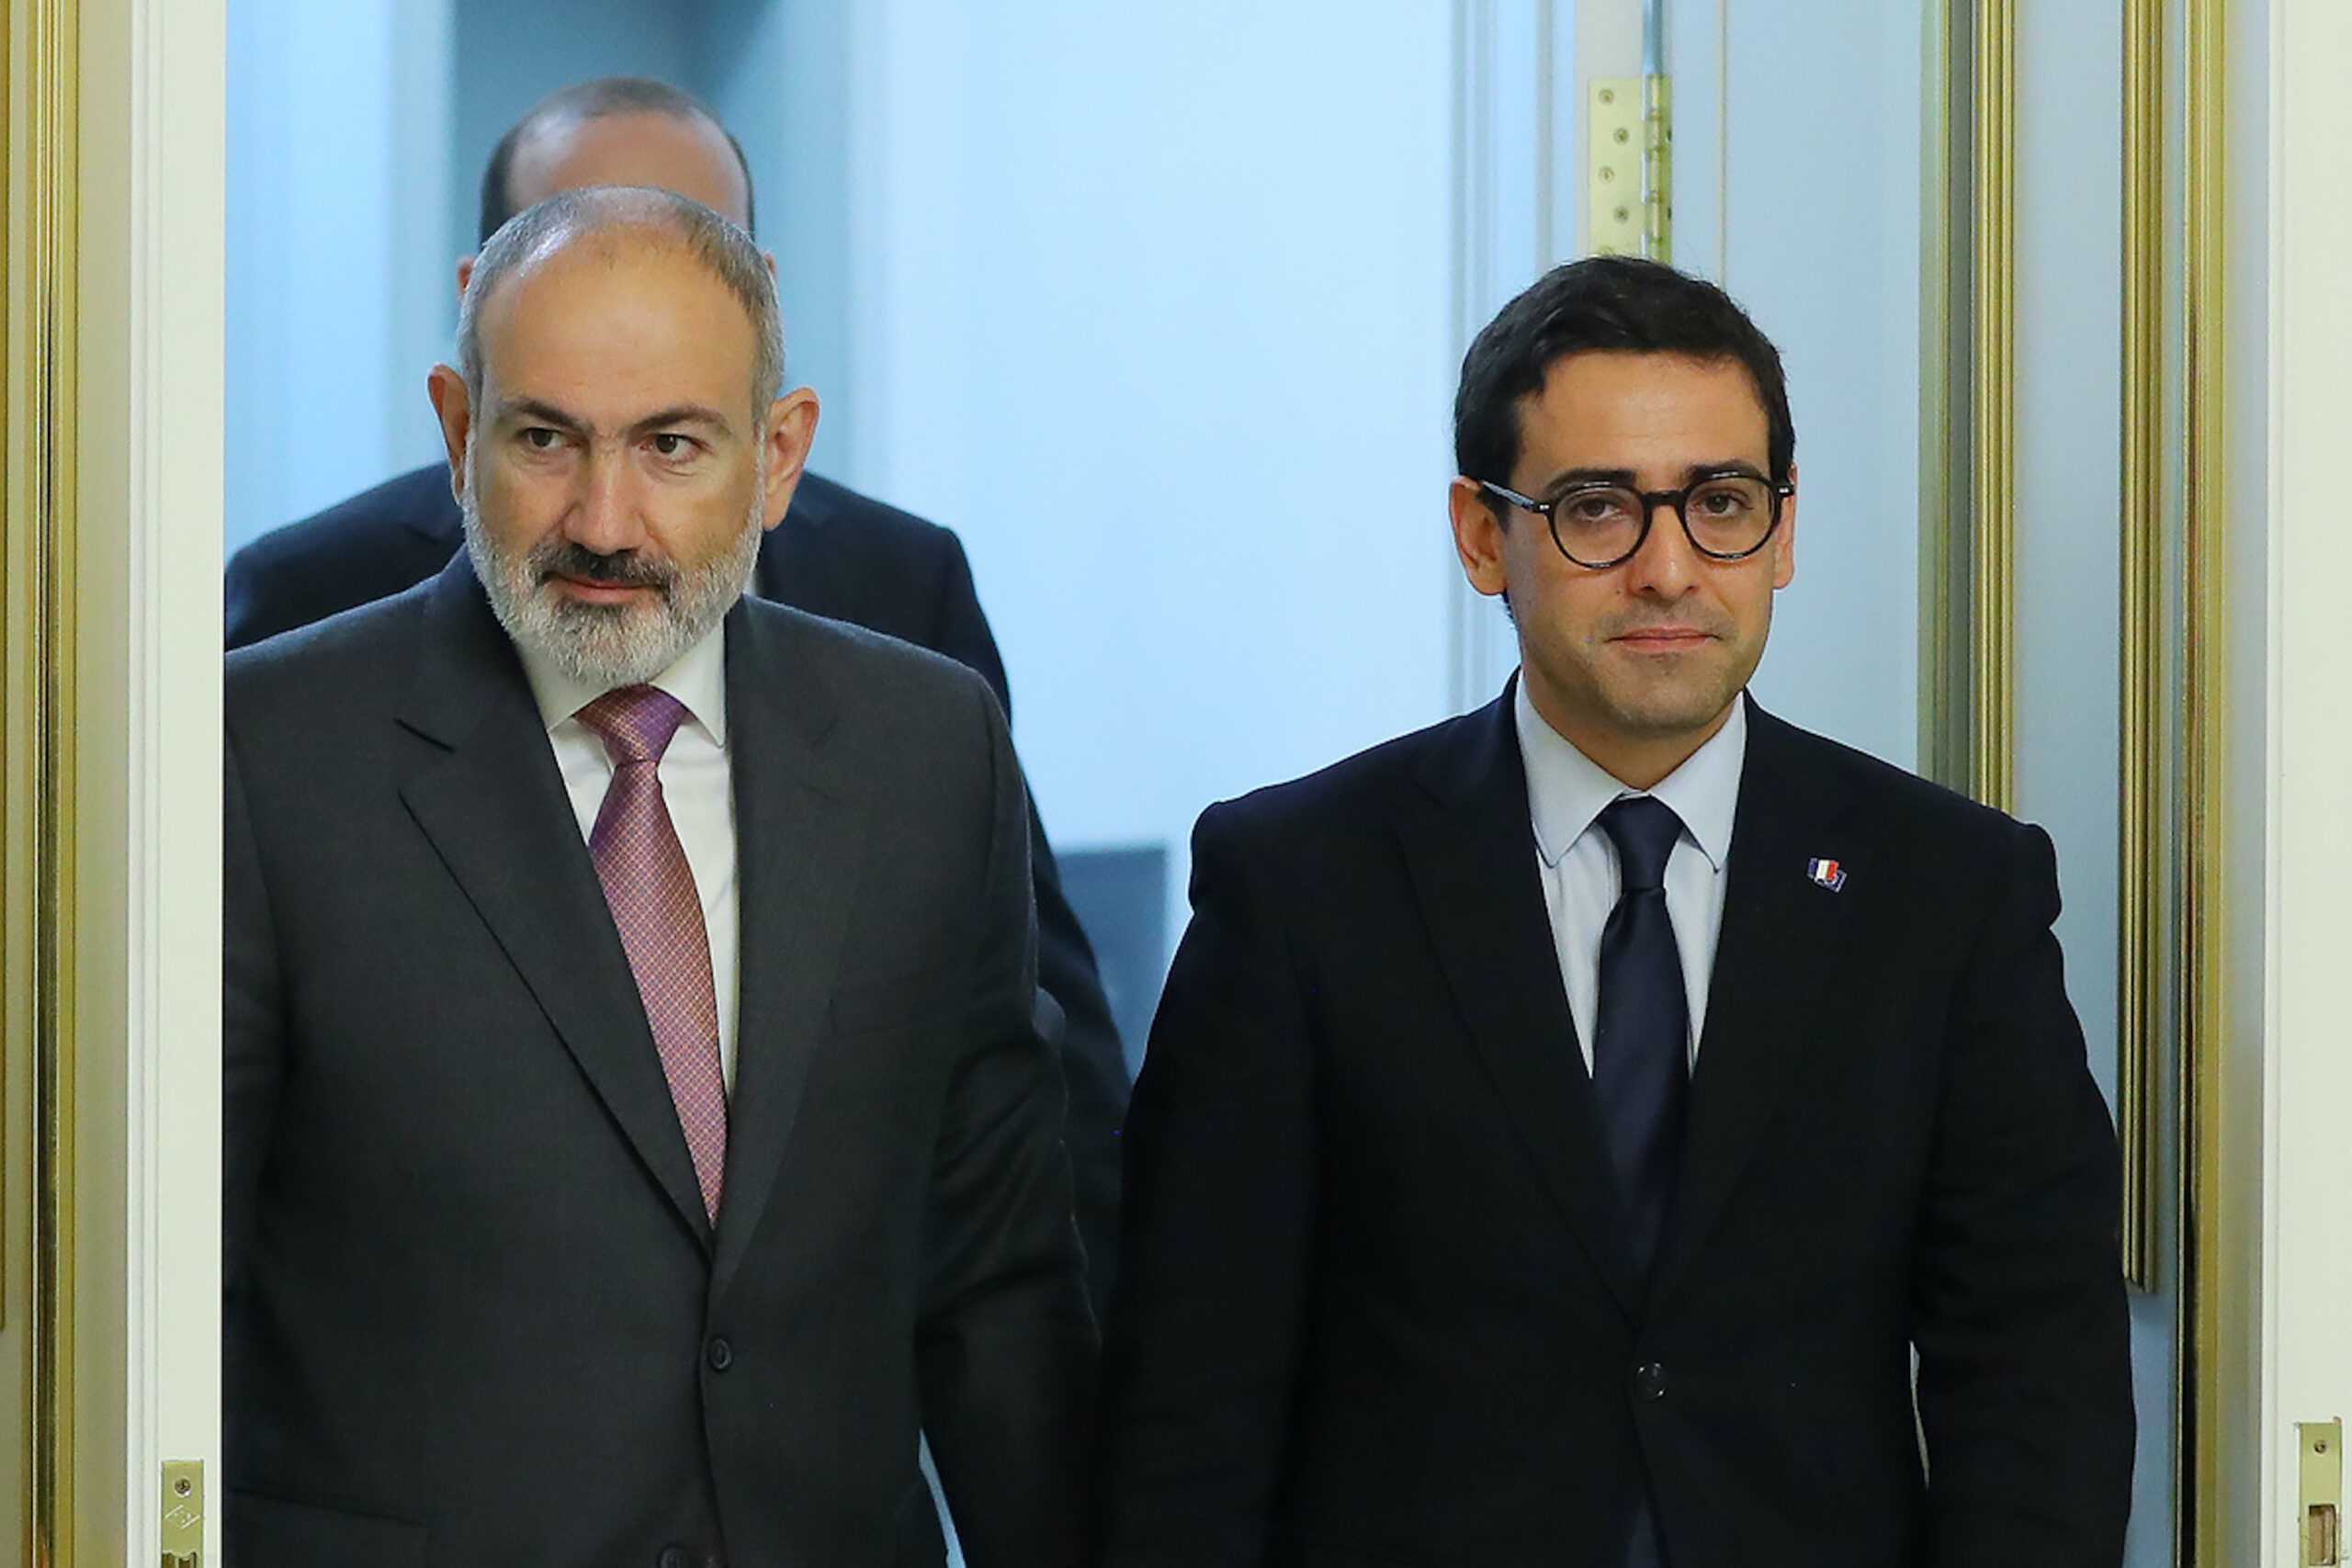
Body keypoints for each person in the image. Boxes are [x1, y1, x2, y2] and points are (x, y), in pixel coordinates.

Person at [1091, 256, 2134, 1567]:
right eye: (1597, 509)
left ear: (1785, 531)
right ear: (1485, 535)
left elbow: (2035, 1381)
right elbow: (1192, 1400)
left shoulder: (1948, 895)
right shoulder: (1299, 884)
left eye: (1722, 504)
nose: (1666, 568)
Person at [224, 187, 1093, 1566]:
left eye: (673, 445)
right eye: (544, 440)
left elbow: (994, 1279)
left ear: (780, 456)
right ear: (458, 433)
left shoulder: (927, 752)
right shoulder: (257, 757)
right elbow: (168, 1290)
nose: (605, 521)